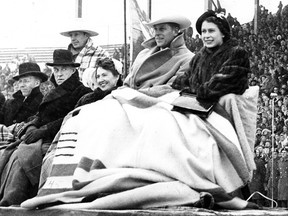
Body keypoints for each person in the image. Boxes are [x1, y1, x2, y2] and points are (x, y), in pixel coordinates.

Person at [21, 11, 257, 210]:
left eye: (211, 31)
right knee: (91, 114)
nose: (206, 36)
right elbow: (182, 83)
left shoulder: (224, 54)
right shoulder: (187, 57)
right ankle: (81, 175)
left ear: (177, 31)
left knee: (152, 124)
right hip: (172, 99)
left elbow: (211, 85)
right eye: (204, 32)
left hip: (199, 106)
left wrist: (187, 89)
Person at [0, 49, 92, 206]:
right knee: (11, 154)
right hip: (43, 138)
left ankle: (12, 203)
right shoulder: (53, 91)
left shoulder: (82, 92)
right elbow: (42, 115)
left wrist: (43, 130)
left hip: (61, 140)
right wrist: (33, 124)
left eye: (64, 69)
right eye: (56, 70)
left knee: (21, 157)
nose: (59, 73)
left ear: (73, 70)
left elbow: (71, 118)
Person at [124, 14, 194, 89]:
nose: (156, 33)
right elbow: (127, 83)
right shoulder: (143, 54)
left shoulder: (188, 59)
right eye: (155, 29)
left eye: (162, 29)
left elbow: (171, 90)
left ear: (175, 31)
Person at [0, 62, 48, 127]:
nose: (22, 85)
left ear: (37, 83)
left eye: (26, 81)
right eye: (20, 81)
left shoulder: (43, 104)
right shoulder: (9, 104)